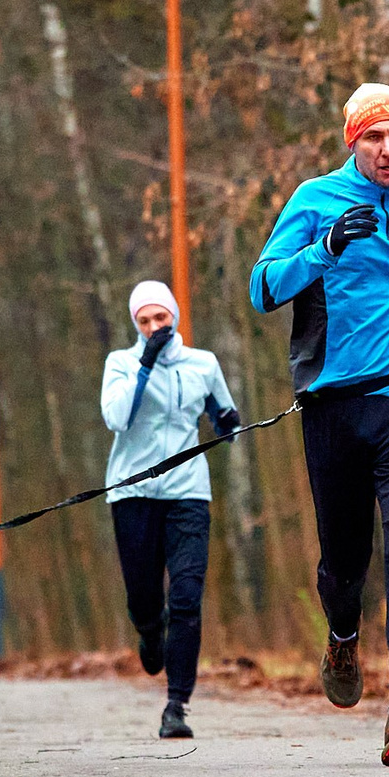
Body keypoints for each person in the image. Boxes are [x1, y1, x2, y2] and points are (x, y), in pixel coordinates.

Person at [250, 83, 389, 767]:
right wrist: (324, 251)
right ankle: (344, 633)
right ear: (353, 142)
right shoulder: (314, 201)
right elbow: (262, 288)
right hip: (336, 407)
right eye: (375, 137)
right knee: (346, 563)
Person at [101, 279, 240, 740]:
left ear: (174, 316)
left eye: (161, 317)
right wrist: (145, 364)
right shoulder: (120, 363)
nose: (154, 326)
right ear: (135, 325)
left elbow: (226, 418)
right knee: (144, 597)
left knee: (186, 598)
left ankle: (177, 704)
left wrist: (228, 423)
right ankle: (147, 628)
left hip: (188, 494)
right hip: (133, 494)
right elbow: (117, 418)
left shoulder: (203, 364)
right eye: (144, 321)